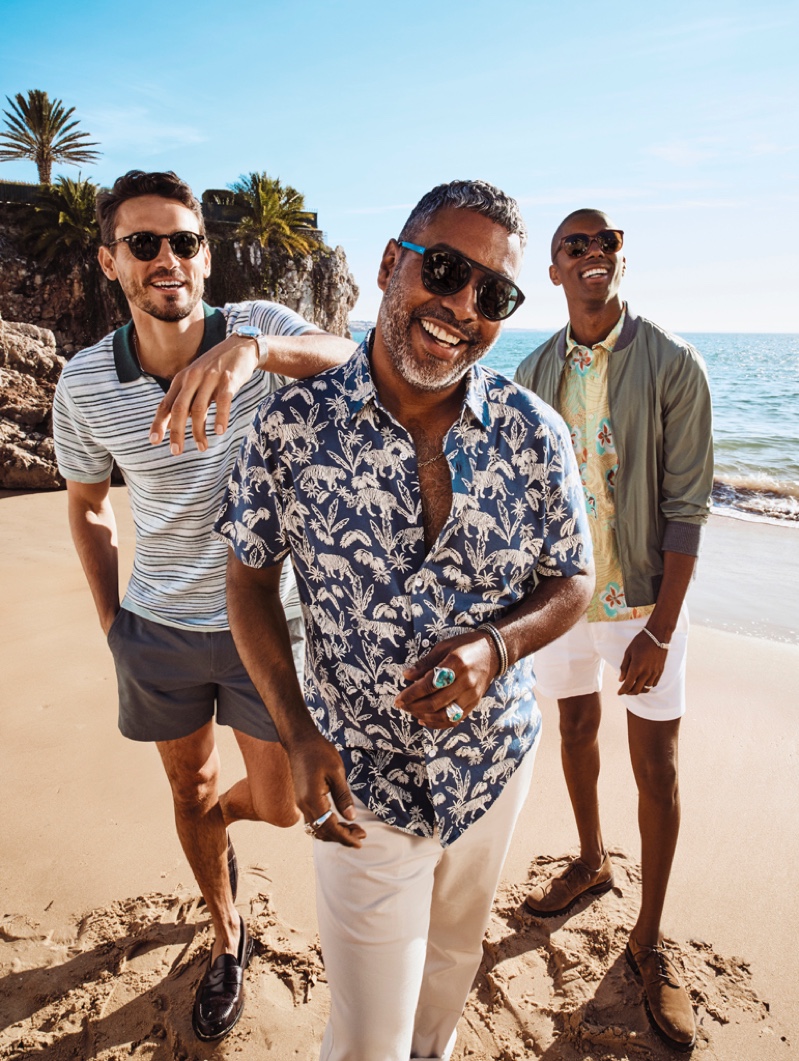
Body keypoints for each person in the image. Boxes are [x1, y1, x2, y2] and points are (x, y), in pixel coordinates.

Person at [216, 179, 594, 1061]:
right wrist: (297, 732)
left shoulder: (534, 434)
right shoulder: (290, 429)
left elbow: (572, 579)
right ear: (392, 263)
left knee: (450, 971)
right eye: (447, 270)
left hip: (492, 764)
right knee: (364, 1040)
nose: (462, 306)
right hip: (356, 781)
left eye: (492, 294)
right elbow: (248, 580)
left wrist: (495, 648)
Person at [52, 170, 355, 1043]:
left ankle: (212, 833)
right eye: (142, 244)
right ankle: (227, 937)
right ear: (111, 262)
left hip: (267, 623)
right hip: (157, 629)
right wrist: (113, 626)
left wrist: (252, 352)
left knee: (280, 801)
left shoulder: (257, 326)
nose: (166, 258)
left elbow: (356, 362)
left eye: (183, 241)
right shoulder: (85, 383)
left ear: (205, 254)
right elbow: (85, 504)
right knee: (186, 783)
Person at [515, 209, 713, 1052]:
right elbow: (517, 495)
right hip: (561, 598)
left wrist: (659, 631)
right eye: (575, 247)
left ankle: (648, 937)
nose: (595, 255)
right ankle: (591, 859)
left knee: (657, 765)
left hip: (640, 604)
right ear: (554, 271)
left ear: (619, 259)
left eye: (607, 244)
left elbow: (685, 510)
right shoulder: (529, 368)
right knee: (572, 723)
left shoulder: (671, 363)